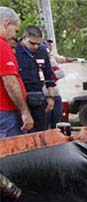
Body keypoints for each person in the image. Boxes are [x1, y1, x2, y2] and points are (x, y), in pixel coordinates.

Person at [15, 25, 57, 132]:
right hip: (21, 96)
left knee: (41, 131)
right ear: (24, 38)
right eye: (32, 43)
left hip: (38, 96)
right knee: (22, 130)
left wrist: (51, 97)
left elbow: (49, 76)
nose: (35, 47)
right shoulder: (14, 51)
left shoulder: (42, 52)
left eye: (38, 44)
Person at [0, 7, 32, 137]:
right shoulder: (2, 46)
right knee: (10, 153)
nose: (15, 36)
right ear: (7, 24)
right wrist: (25, 112)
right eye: (15, 30)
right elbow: (10, 82)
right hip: (6, 112)